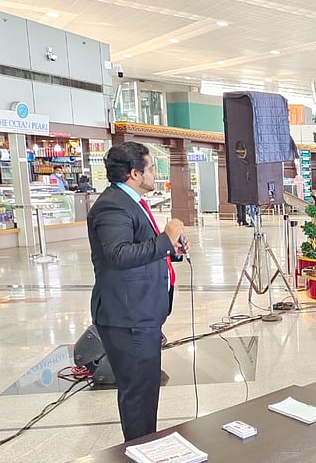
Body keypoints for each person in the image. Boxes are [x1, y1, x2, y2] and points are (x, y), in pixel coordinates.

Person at [87, 141, 189, 442]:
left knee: (145, 390)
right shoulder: (112, 205)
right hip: (127, 316)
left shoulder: (131, 202)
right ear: (134, 173)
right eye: (151, 168)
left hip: (142, 311)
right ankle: (139, 449)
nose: (155, 173)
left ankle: (147, 446)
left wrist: (172, 248)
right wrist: (164, 240)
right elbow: (118, 254)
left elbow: (140, 247)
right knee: (138, 395)